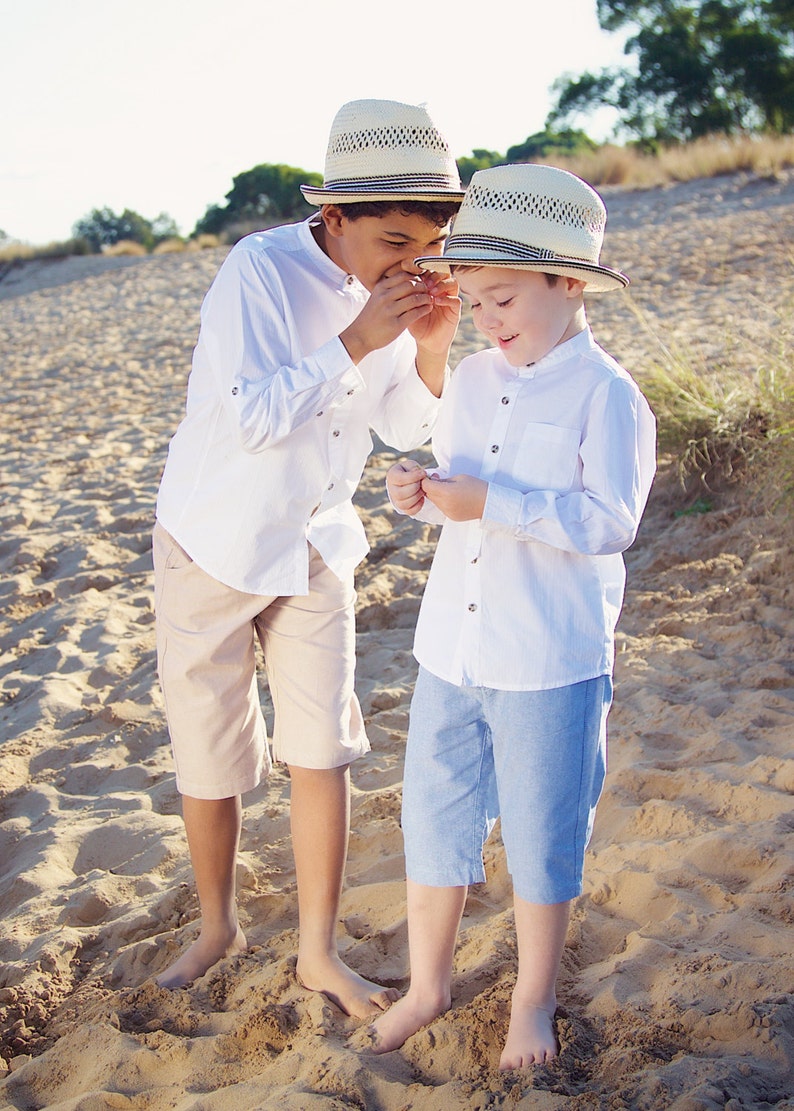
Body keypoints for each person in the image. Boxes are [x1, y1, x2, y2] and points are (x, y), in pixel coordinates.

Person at [152, 99, 464, 1017]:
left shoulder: (408, 290)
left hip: (317, 541)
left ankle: (318, 953)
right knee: (210, 753)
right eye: (396, 241)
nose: (414, 264)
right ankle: (219, 926)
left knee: (322, 747)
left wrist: (432, 350)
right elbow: (251, 415)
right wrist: (362, 335)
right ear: (333, 217)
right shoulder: (258, 269)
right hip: (211, 536)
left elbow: (405, 425)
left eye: (431, 245)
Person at [366, 163, 656, 1065]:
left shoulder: (608, 395)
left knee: (541, 829)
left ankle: (532, 998)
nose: (486, 321)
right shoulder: (475, 380)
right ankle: (427, 984)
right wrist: (418, 492)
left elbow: (609, 523)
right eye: (476, 301)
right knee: (436, 814)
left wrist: (490, 502)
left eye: (501, 299)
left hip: (549, 658)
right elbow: (458, 484)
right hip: (452, 643)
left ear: (568, 284)